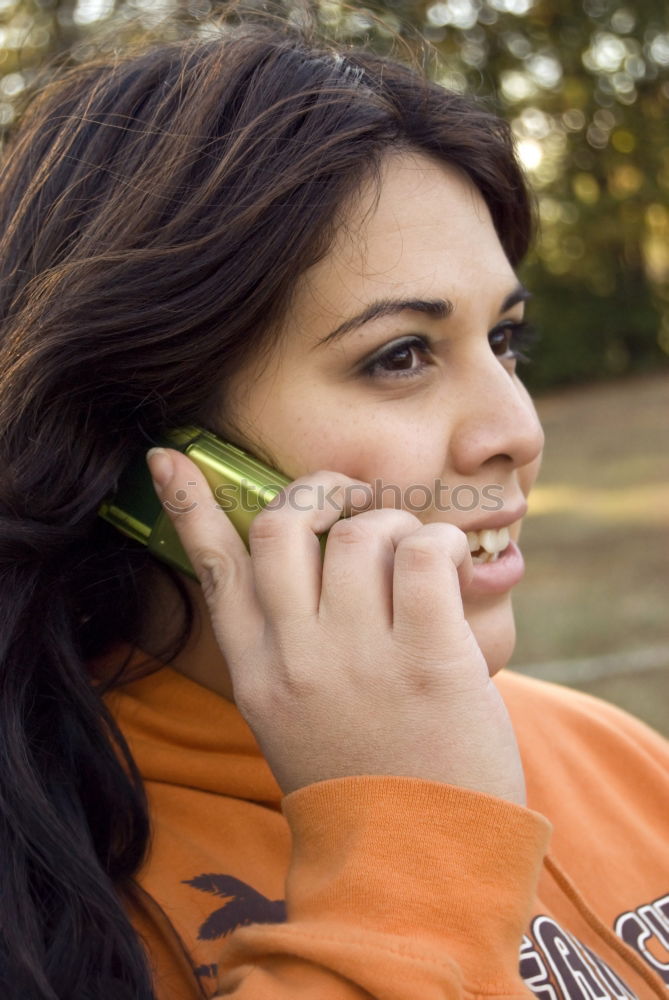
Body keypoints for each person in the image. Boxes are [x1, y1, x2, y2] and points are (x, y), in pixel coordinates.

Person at [0, 14, 668, 1000]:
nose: (516, 428)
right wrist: (412, 841)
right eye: (400, 355)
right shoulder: (48, 892)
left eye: (507, 341)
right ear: (148, 454)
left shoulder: (613, 757)